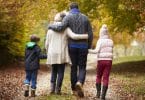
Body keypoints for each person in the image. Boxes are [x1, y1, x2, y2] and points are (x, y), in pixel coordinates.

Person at [49, 2, 93, 97]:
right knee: (82, 67)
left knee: (73, 67)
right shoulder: (85, 18)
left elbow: (60, 27)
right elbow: (90, 34)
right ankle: (80, 82)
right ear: (78, 8)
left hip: (72, 46)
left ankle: (74, 89)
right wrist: (88, 46)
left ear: (70, 8)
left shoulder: (67, 17)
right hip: (83, 46)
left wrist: (50, 26)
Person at [89, 24, 113, 100]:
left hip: (101, 61)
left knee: (99, 76)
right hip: (109, 61)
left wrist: (88, 50)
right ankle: (103, 96)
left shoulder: (100, 41)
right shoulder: (111, 41)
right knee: (106, 78)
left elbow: (96, 51)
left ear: (101, 33)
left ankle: (98, 94)